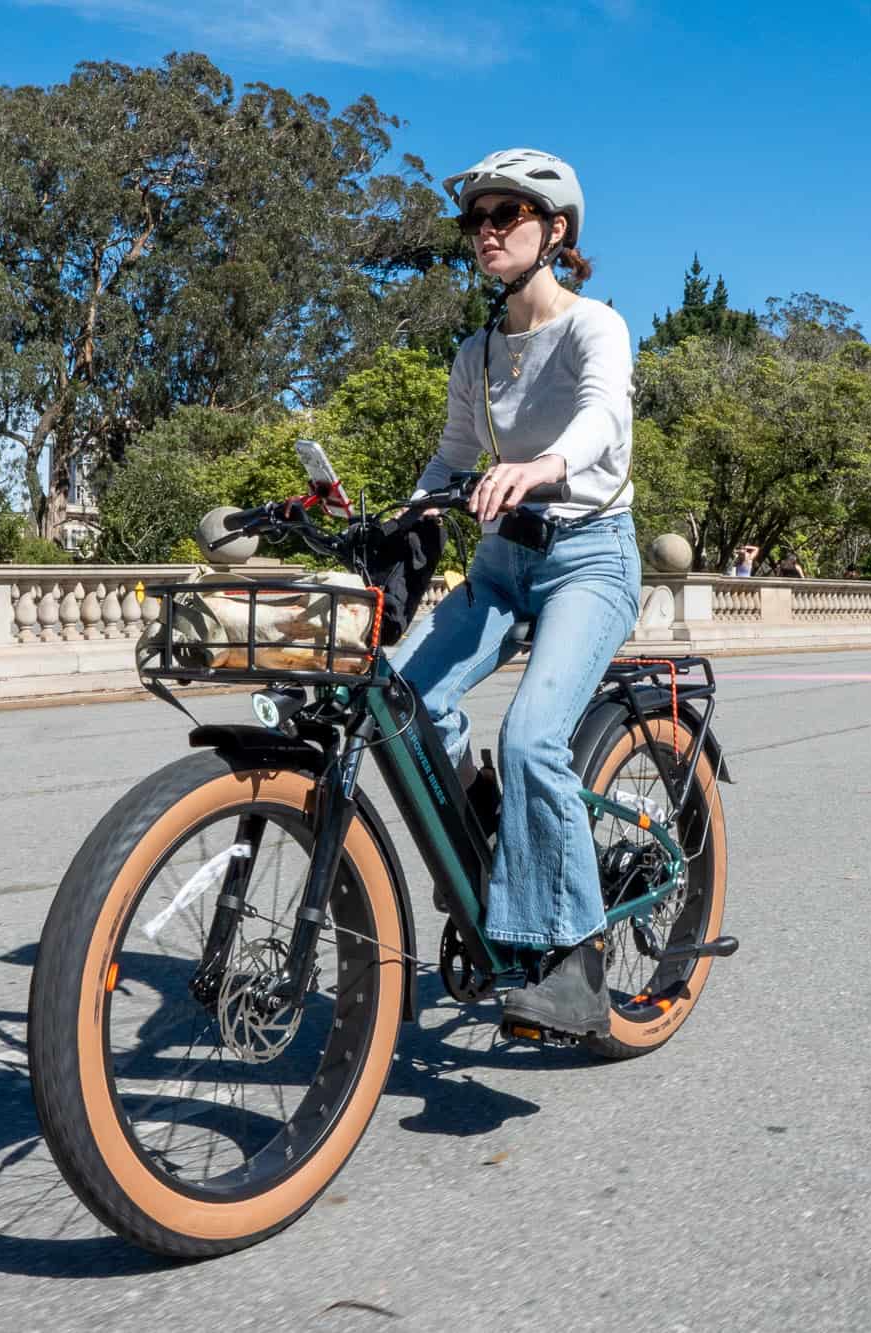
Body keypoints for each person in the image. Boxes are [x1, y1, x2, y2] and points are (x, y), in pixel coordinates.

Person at [389, 148, 639, 1038]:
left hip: (589, 555)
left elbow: (602, 419)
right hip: (502, 561)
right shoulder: (477, 352)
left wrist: (540, 467)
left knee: (533, 733)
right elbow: (453, 460)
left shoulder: (594, 328)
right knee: (400, 692)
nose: (486, 231)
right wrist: (402, 517)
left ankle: (576, 962)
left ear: (555, 231)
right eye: (476, 219)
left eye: (507, 215)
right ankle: (500, 845)